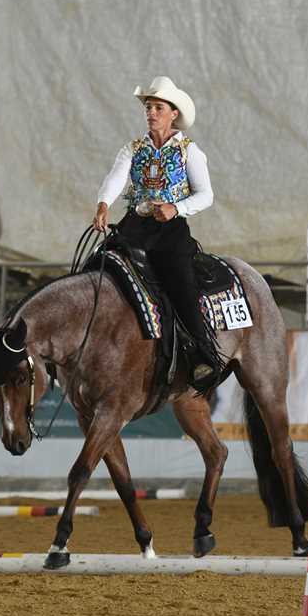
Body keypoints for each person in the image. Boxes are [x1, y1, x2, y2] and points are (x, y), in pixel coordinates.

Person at [93, 76, 220, 392]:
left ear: (173, 113)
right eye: (148, 107)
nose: (150, 112)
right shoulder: (133, 148)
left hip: (170, 231)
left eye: (157, 107)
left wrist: (177, 208)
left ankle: (203, 354)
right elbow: (115, 177)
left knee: (180, 281)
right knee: (98, 264)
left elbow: (206, 194)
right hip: (134, 226)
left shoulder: (189, 151)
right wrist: (103, 204)